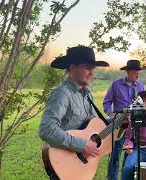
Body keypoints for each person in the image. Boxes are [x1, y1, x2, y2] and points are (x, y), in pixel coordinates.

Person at [39, 46, 109, 179]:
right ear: (72, 67)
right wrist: (82, 145)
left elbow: (91, 126)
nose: (92, 73)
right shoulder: (62, 94)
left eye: (93, 69)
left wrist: (120, 119)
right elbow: (46, 129)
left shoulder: (87, 94)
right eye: (87, 68)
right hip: (65, 164)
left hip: (81, 165)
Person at [103, 60, 146, 180]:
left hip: (134, 125)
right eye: (134, 73)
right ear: (127, 71)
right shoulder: (116, 84)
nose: (137, 76)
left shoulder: (141, 86)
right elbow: (107, 102)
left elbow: (141, 106)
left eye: (138, 73)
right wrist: (111, 114)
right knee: (115, 155)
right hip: (119, 124)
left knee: (129, 155)